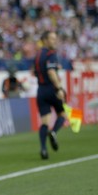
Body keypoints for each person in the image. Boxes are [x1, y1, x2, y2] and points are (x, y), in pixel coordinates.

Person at [33, 31, 67, 160]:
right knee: (62, 115)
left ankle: (43, 149)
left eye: (55, 38)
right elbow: (51, 72)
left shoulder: (38, 55)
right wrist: (59, 88)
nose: (54, 41)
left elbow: (34, 71)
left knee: (45, 121)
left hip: (40, 91)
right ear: (45, 40)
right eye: (52, 39)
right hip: (51, 89)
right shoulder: (51, 54)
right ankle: (53, 133)